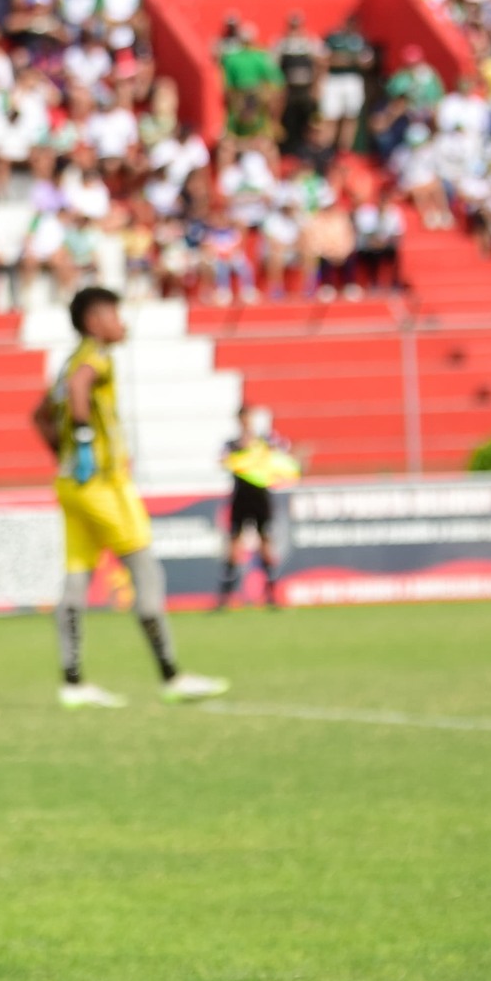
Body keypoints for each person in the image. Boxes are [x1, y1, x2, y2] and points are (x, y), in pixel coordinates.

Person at [31, 287, 230, 710]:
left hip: (71, 483)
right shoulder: (93, 357)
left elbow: (40, 415)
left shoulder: (69, 359)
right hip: (102, 483)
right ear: (93, 320)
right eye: (113, 314)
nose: (121, 322)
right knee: (145, 570)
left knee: (75, 580)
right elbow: (81, 387)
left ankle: (73, 682)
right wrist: (85, 442)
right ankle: (172, 675)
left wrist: (66, 455)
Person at [217, 405, 298, 611]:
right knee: (234, 545)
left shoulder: (264, 440)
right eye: (243, 418)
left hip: (261, 497)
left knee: (266, 543)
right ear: (238, 420)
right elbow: (222, 460)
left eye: (248, 418)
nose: (246, 422)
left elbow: (284, 450)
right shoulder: (233, 444)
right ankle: (226, 596)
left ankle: (271, 594)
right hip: (241, 497)